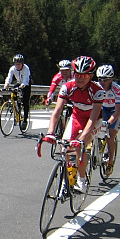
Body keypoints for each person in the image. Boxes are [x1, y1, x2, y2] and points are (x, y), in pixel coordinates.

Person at [42, 56, 105, 192]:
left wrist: (81, 140)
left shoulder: (98, 90)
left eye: (84, 75)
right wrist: (50, 132)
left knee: (79, 148)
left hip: (93, 121)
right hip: (77, 117)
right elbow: (57, 112)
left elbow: (93, 120)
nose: (80, 78)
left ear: (91, 76)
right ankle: (67, 179)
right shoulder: (67, 87)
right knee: (65, 148)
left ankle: (81, 181)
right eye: (77, 74)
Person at [96, 64, 120, 174]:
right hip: (103, 108)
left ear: (111, 79)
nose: (102, 82)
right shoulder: (96, 87)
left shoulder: (117, 89)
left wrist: (109, 123)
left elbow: (118, 111)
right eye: (100, 79)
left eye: (105, 79)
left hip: (116, 110)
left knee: (110, 136)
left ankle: (110, 162)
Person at [3, 53, 31, 129]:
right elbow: (9, 78)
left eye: (19, 64)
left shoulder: (26, 68)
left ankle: (25, 119)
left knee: (25, 101)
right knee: (13, 92)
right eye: (16, 64)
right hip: (19, 82)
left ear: (22, 64)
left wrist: (22, 87)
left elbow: (25, 80)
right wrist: (6, 85)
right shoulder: (12, 69)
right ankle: (16, 109)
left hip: (26, 84)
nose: (17, 66)